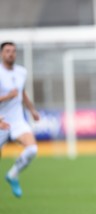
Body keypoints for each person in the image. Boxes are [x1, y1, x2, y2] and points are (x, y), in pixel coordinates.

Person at [0, 41, 40, 198]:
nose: (11, 54)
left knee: (32, 149)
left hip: (17, 121)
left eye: (14, 51)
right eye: (8, 51)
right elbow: (12, 94)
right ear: (2, 54)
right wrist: (7, 96)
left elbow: (22, 92)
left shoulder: (22, 72)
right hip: (1, 121)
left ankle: (13, 175)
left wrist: (32, 110)